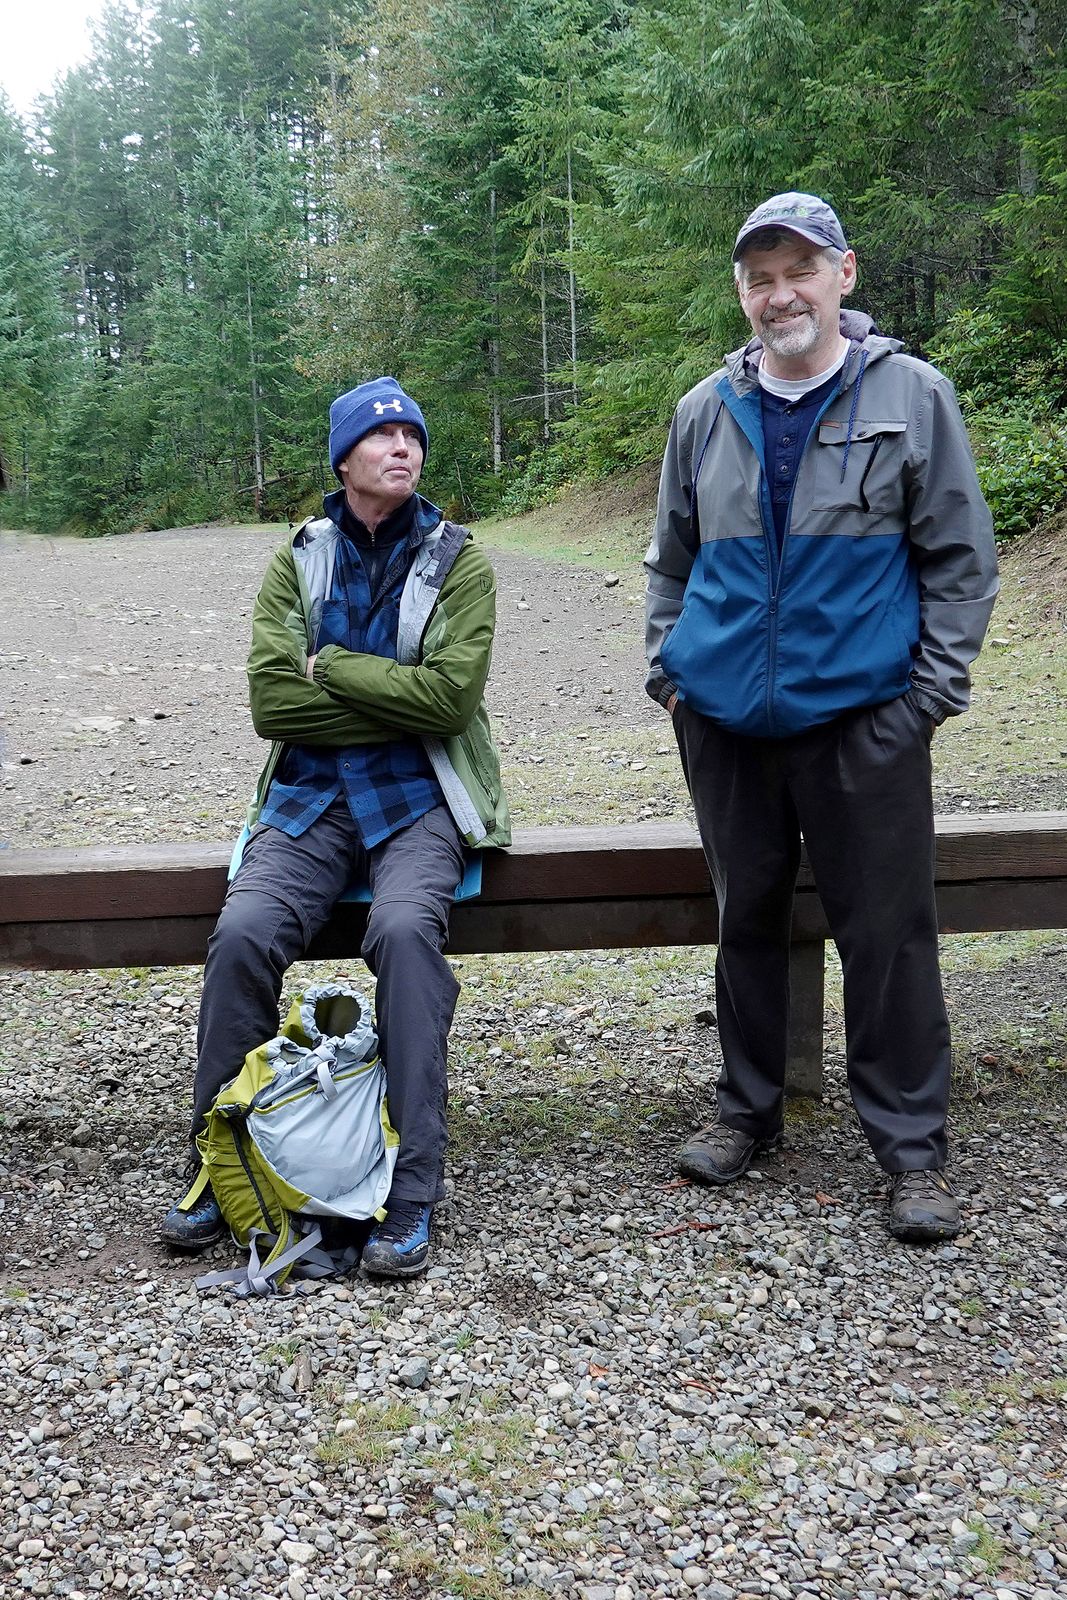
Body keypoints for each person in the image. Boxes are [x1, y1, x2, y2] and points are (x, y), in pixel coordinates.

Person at [645, 193, 998, 1243]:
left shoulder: (910, 396)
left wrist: (923, 701)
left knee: (885, 937)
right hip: (724, 724)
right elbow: (669, 556)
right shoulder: (705, 408)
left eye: (797, 269)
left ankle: (910, 1151)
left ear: (843, 274)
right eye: (758, 276)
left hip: (864, 723)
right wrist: (670, 672)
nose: (777, 293)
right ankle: (744, 1113)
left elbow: (959, 561)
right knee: (744, 919)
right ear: (740, 294)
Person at [161, 376, 510, 1276]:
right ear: (344, 457)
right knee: (241, 934)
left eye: (413, 435)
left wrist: (337, 667)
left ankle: (411, 1189)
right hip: (309, 799)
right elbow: (273, 704)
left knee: (402, 933)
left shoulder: (459, 561)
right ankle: (221, 1163)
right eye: (382, 434)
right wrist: (393, 695)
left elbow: (448, 701)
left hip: (417, 799)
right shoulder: (299, 556)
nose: (403, 447)